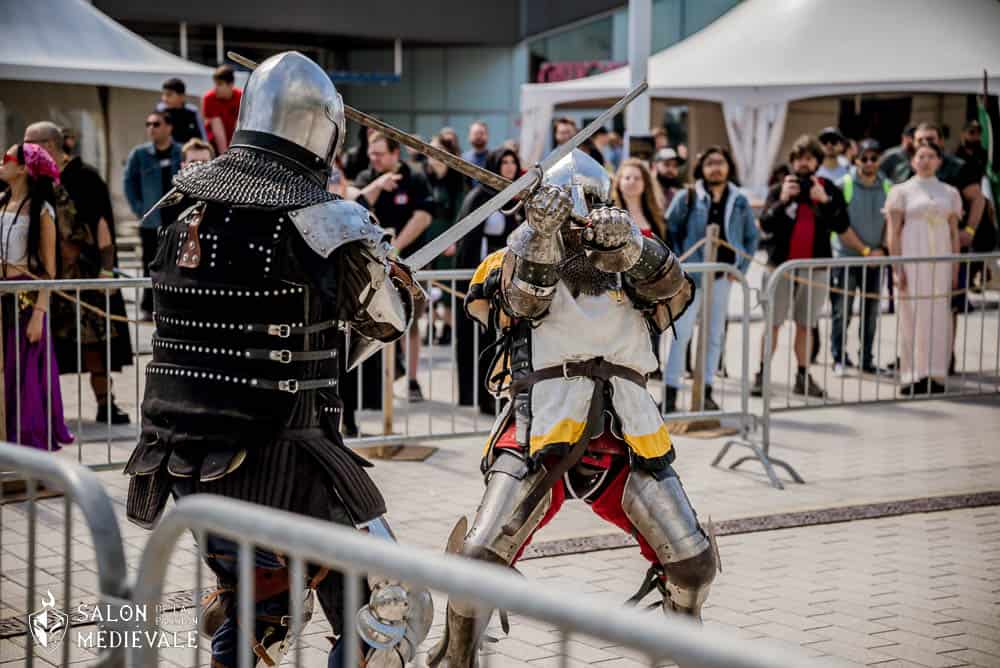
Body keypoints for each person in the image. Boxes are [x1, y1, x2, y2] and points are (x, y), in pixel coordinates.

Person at [123, 52, 432, 668]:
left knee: (261, 602)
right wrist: (388, 272)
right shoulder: (324, 219)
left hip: (183, 463)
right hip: (286, 463)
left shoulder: (183, 208)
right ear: (322, 131)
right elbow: (390, 321)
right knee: (393, 612)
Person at [428, 150, 716, 668]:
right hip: (540, 424)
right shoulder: (515, 254)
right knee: (477, 561)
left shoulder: (635, 252)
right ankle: (457, 658)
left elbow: (675, 290)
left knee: (692, 564)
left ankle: (686, 652)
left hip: (629, 429)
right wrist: (540, 235)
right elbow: (520, 302)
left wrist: (627, 246)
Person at [24, 121, 134, 424]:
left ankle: (105, 403)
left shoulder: (85, 178)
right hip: (45, 276)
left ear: (48, 145)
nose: (25, 149)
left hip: (84, 276)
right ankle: (42, 408)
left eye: (29, 143)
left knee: (95, 344)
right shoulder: (32, 179)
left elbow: (103, 227)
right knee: (42, 344)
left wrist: (107, 271)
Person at [751, 135, 868, 399]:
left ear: (816, 161)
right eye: (799, 158)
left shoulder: (828, 189)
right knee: (773, 323)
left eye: (809, 158)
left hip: (815, 269)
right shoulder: (779, 189)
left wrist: (824, 201)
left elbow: (841, 226)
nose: (804, 163)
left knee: (806, 324)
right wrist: (782, 201)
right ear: (792, 161)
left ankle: (803, 376)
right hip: (779, 267)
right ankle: (762, 375)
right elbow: (766, 226)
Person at [662, 147, 757, 412]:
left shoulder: (739, 199)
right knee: (681, 333)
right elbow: (671, 231)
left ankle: (706, 389)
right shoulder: (689, 196)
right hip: (690, 278)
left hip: (722, 277)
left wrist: (741, 267)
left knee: (715, 334)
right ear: (701, 168)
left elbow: (751, 236)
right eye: (710, 162)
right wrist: (678, 266)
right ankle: (670, 393)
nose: (716, 167)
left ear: (729, 166)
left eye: (721, 162)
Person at [0, 143, 74, 451]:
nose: (0, 163)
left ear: (23, 169)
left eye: (6, 158)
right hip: (3, 296)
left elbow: (50, 269)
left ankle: (30, 450)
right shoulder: (2, 202)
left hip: (26, 300)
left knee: (24, 377)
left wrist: (40, 313)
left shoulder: (42, 210)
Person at [355, 132, 434, 401]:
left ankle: (411, 379)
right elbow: (356, 207)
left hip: (410, 265)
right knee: (377, 323)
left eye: (379, 154)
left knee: (410, 324)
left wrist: (394, 250)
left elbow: (423, 217)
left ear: (394, 153)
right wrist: (377, 185)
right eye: (371, 154)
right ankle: (383, 383)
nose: (373, 158)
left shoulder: (415, 178)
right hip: (374, 270)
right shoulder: (367, 178)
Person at [886, 142, 961, 395]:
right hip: (912, 256)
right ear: (912, 161)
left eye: (931, 156)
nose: (926, 160)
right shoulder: (901, 191)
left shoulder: (949, 192)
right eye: (921, 156)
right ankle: (912, 374)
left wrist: (955, 268)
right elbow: (893, 232)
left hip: (940, 260)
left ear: (940, 161)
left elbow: (953, 233)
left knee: (939, 315)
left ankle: (936, 374)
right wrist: (897, 268)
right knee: (911, 314)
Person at [454, 147, 524, 415]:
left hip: (508, 279)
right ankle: (480, 396)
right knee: (480, 338)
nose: (508, 167)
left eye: (512, 162)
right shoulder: (480, 197)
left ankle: (499, 393)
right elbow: (468, 242)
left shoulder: (515, 197)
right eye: (503, 162)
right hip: (484, 276)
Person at [830, 139, 891, 376]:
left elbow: (891, 223)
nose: (868, 163)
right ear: (855, 160)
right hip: (847, 259)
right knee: (841, 311)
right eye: (863, 158)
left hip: (876, 261)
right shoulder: (842, 184)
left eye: (873, 158)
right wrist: (865, 250)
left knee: (871, 312)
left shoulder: (888, 187)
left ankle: (866, 359)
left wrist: (883, 250)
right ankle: (839, 358)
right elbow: (839, 224)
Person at [123, 111, 182, 318]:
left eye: (156, 124)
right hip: (151, 221)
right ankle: (148, 306)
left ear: (169, 127)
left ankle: (174, 307)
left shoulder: (181, 152)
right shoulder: (139, 154)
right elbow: (128, 183)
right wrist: (139, 209)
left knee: (177, 265)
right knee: (149, 262)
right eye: (148, 124)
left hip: (177, 221)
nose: (151, 128)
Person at [422, 135, 467, 344]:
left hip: (447, 241)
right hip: (426, 239)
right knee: (427, 289)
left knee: (447, 292)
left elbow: (461, 212)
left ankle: (452, 330)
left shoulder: (457, 180)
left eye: (438, 150)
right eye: (430, 151)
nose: (434, 156)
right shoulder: (424, 178)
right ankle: (431, 327)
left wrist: (454, 241)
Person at [201, 65, 242, 155]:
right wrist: (225, 156)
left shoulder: (241, 97)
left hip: (236, 145)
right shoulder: (209, 98)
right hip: (213, 148)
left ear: (230, 84)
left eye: (219, 84)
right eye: (215, 84)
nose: (215, 88)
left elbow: (239, 125)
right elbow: (218, 131)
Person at [157, 78, 206, 145]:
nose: (164, 98)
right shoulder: (161, 111)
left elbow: (203, 137)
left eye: (169, 95)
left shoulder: (192, 112)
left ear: (182, 96)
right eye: (163, 95)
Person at [652, 147, 683, 211]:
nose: (671, 169)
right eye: (666, 164)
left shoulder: (679, 192)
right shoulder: (646, 190)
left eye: (675, 166)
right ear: (654, 166)